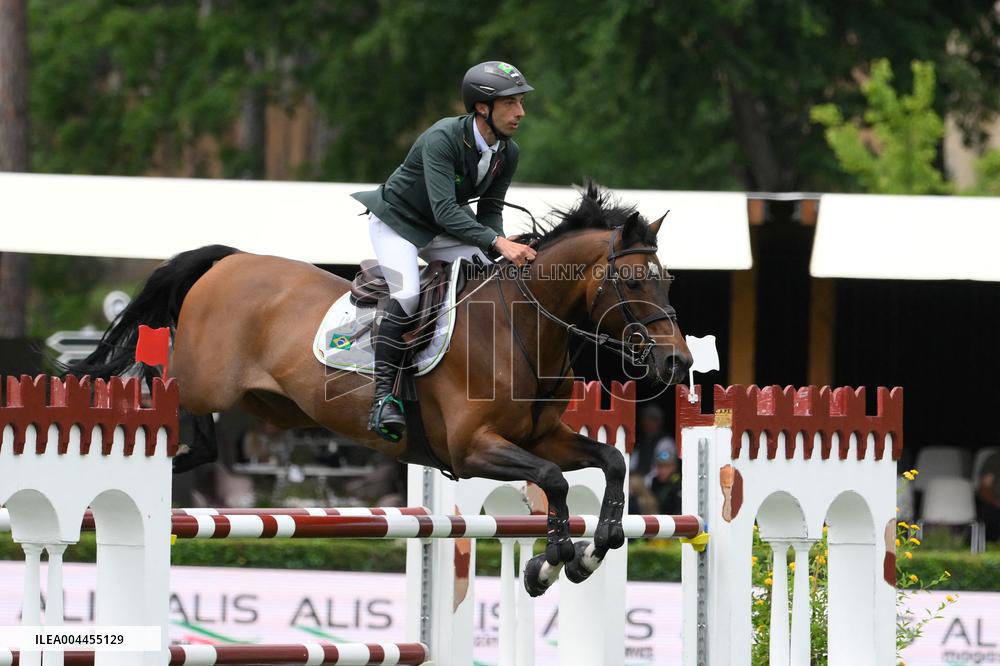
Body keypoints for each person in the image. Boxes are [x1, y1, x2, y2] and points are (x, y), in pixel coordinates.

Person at [352, 61, 538, 443]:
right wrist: (497, 242)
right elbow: (446, 209)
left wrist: (500, 244)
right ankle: (384, 398)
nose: (521, 112)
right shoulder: (443, 137)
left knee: (495, 274)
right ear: (482, 107)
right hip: (397, 224)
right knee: (406, 295)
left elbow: (490, 210)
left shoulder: (509, 152)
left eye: (521, 102)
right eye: (511, 104)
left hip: (442, 230)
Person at [647, 448, 682, 515]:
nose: (662, 470)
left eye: (667, 467)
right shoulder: (654, 482)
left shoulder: (678, 485)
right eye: (660, 466)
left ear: (674, 467)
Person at [976, 450, 1000, 541]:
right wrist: (996, 501)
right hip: (996, 505)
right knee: (988, 513)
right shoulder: (995, 459)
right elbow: (984, 488)